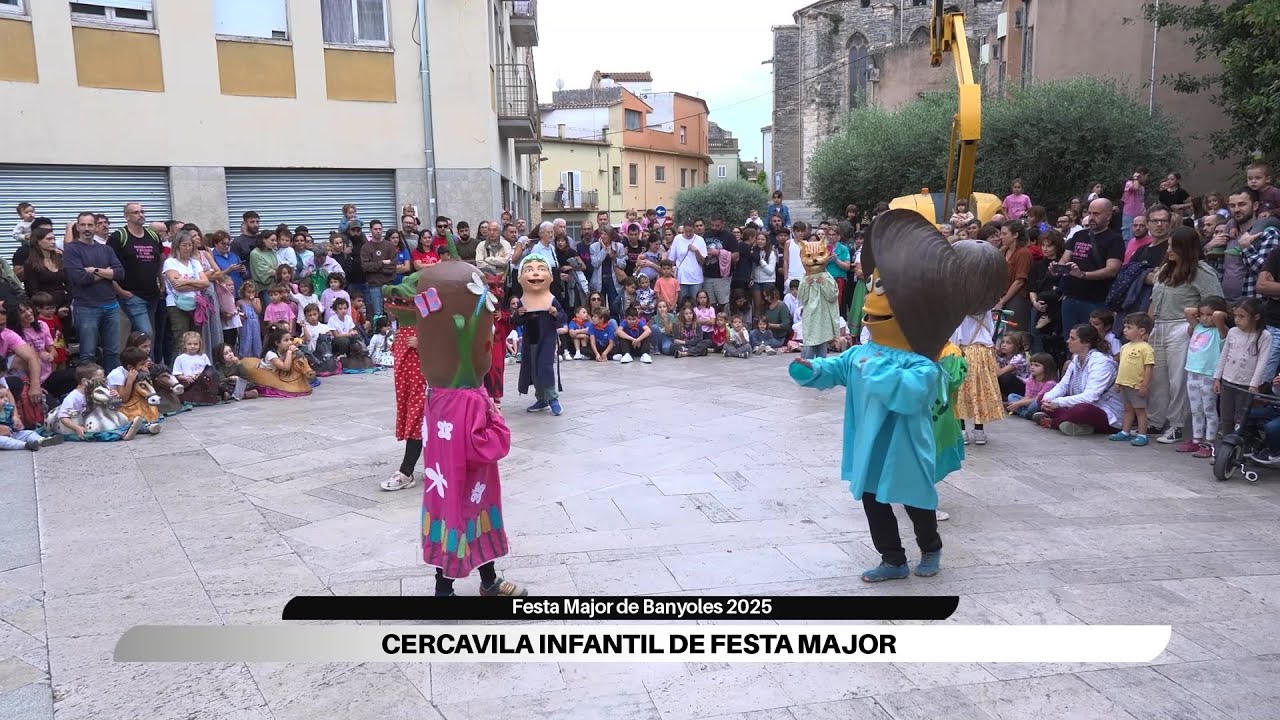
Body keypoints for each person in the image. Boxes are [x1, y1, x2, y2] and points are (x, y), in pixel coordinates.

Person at [789, 211, 1006, 582]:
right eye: (875, 287)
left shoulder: (923, 365)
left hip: (905, 447)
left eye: (883, 291)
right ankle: (892, 558)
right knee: (873, 501)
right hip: (870, 444)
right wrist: (815, 371)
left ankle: (931, 547)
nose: (872, 303)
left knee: (915, 501)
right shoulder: (864, 352)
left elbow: (909, 396)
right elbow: (840, 367)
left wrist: (875, 374)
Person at [1035, 324, 1124, 436]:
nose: (1068, 341)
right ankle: (1078, 426)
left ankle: (1054, 422)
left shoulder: (1102, 363)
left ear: (1086, 342)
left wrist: (1057, 403)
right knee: (1042, 398)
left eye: (1072, 338)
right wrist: (1048, 399)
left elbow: (1090, 397)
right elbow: (1063, 386)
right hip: (1076, 405)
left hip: (1105, 412)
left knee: (1082, 410)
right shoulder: (1077, 358)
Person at [64, 211, 126, 371]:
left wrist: (94, 270)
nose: (86, 228)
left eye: (90, 225)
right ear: (77, 227)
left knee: (112, 352)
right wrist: (106, 273)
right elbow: (80, 278)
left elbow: (120, 273)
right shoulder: (71, 249)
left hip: (111, 306)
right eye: (83, 225)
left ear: (95, 227)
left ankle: (114, 387)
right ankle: (90, 389)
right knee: (88, 354)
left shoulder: (106, 250)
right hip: (86, 307)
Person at [1213, 298, 1272, 437]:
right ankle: (1225, 449)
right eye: (1235, 316)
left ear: (1256, 317)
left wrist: (1254, 384)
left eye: (1242, 316)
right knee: (1226, 416)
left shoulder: (1264, 336)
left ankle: (1238, 445)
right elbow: (1224, 355)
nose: (1237, 320)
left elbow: (1262, 361)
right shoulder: (1233, 332)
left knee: (1240, 417)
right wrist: (1217, 377)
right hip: (1228, 381)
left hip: (1246, 384)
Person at [1183, 296, 1229, 457]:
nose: (1204, 318)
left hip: (1209, 375)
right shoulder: (1198, 327)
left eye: (1209, 314)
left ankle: (1209, 442)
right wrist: (1201, 310)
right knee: (1196, 410)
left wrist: (1218, 314)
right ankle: (1196, 439)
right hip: (1193, 373)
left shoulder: (1221, 331)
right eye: (1201, 314)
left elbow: (1218, 317)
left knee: (1209, 410)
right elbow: (1188, 311)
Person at [1109, 314, 1156, 447]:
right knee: (1127, 409)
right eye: (1125, 327)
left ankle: (1142, 434)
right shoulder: (1124, 347)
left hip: (1137, 385)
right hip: (1125, 384)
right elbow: (1122, 366)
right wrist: (1118, 382)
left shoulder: (1146, 348)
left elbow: (1149, 368)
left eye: (1129, 327)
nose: (1125, 330)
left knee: (1140, 410)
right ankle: (1125, 431)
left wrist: (1145, 385)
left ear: (1141, 331)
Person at [1005, 352, 1057, 420]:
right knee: (1012, 396)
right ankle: (1027, 414)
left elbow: (1038, 399)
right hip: (1028, 403)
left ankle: (1022, 412)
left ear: (1046, 368)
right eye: (1031, 365)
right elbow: (1027, 397)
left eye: (1036, 365)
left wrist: (1018, 404)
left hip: (1039, 404)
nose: (1032, 367)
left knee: (1036, 403)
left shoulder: (1050, 383)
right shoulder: (1031, 379)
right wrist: (1016, 403)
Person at [667, 219, 707, 305]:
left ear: (694, 230)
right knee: (682, 303)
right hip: (681, 278)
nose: (688, 234)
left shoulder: (700, 240)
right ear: (683, 230)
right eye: (686, 231)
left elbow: (702, 261)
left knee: (696, 304)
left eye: (690, 231)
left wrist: (696, 251)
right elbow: (671, 259)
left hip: (696, 278)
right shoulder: (677, 239)